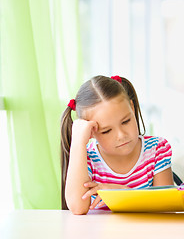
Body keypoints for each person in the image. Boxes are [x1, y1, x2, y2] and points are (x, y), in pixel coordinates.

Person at [60, 75, 174, 215]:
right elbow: (78, 207)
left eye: (125, 121)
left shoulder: (156, 150)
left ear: (132, 108)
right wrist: (78, 141)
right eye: (107, 131)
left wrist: (123, 194)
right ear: (91, 132)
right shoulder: (87, 158)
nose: (121, 135)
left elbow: (166, 208)